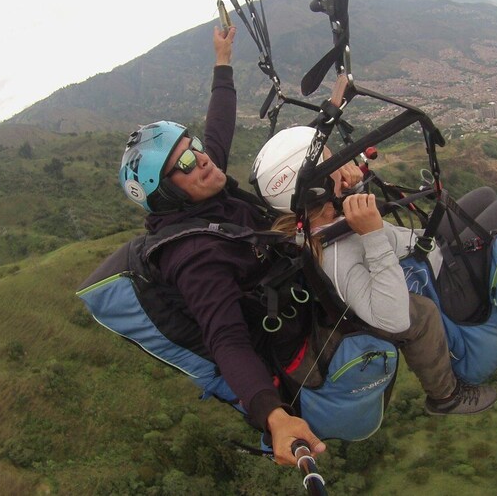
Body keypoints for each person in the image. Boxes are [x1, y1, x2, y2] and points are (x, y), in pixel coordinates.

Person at [117, 26, 362, 466]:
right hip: (300, 317)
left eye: (192, 146)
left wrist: (222, 60)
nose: (203, 157)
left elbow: (218, 129)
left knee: (334, 181)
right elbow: (225, 338)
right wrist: (274, 417)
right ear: (167, 193)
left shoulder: (206, 189)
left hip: (293, 257)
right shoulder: (193, 256)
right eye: (186, 161)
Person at [251, 126, 497, 414]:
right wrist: (374, 235)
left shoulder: (318, 222)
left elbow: (360, 223)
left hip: (424, 256)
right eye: (333, 166)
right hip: (442, 286)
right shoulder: (335, 258)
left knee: (484, 195)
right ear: (316, 188)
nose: (342, 166)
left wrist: (356, 186)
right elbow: (394, 319)